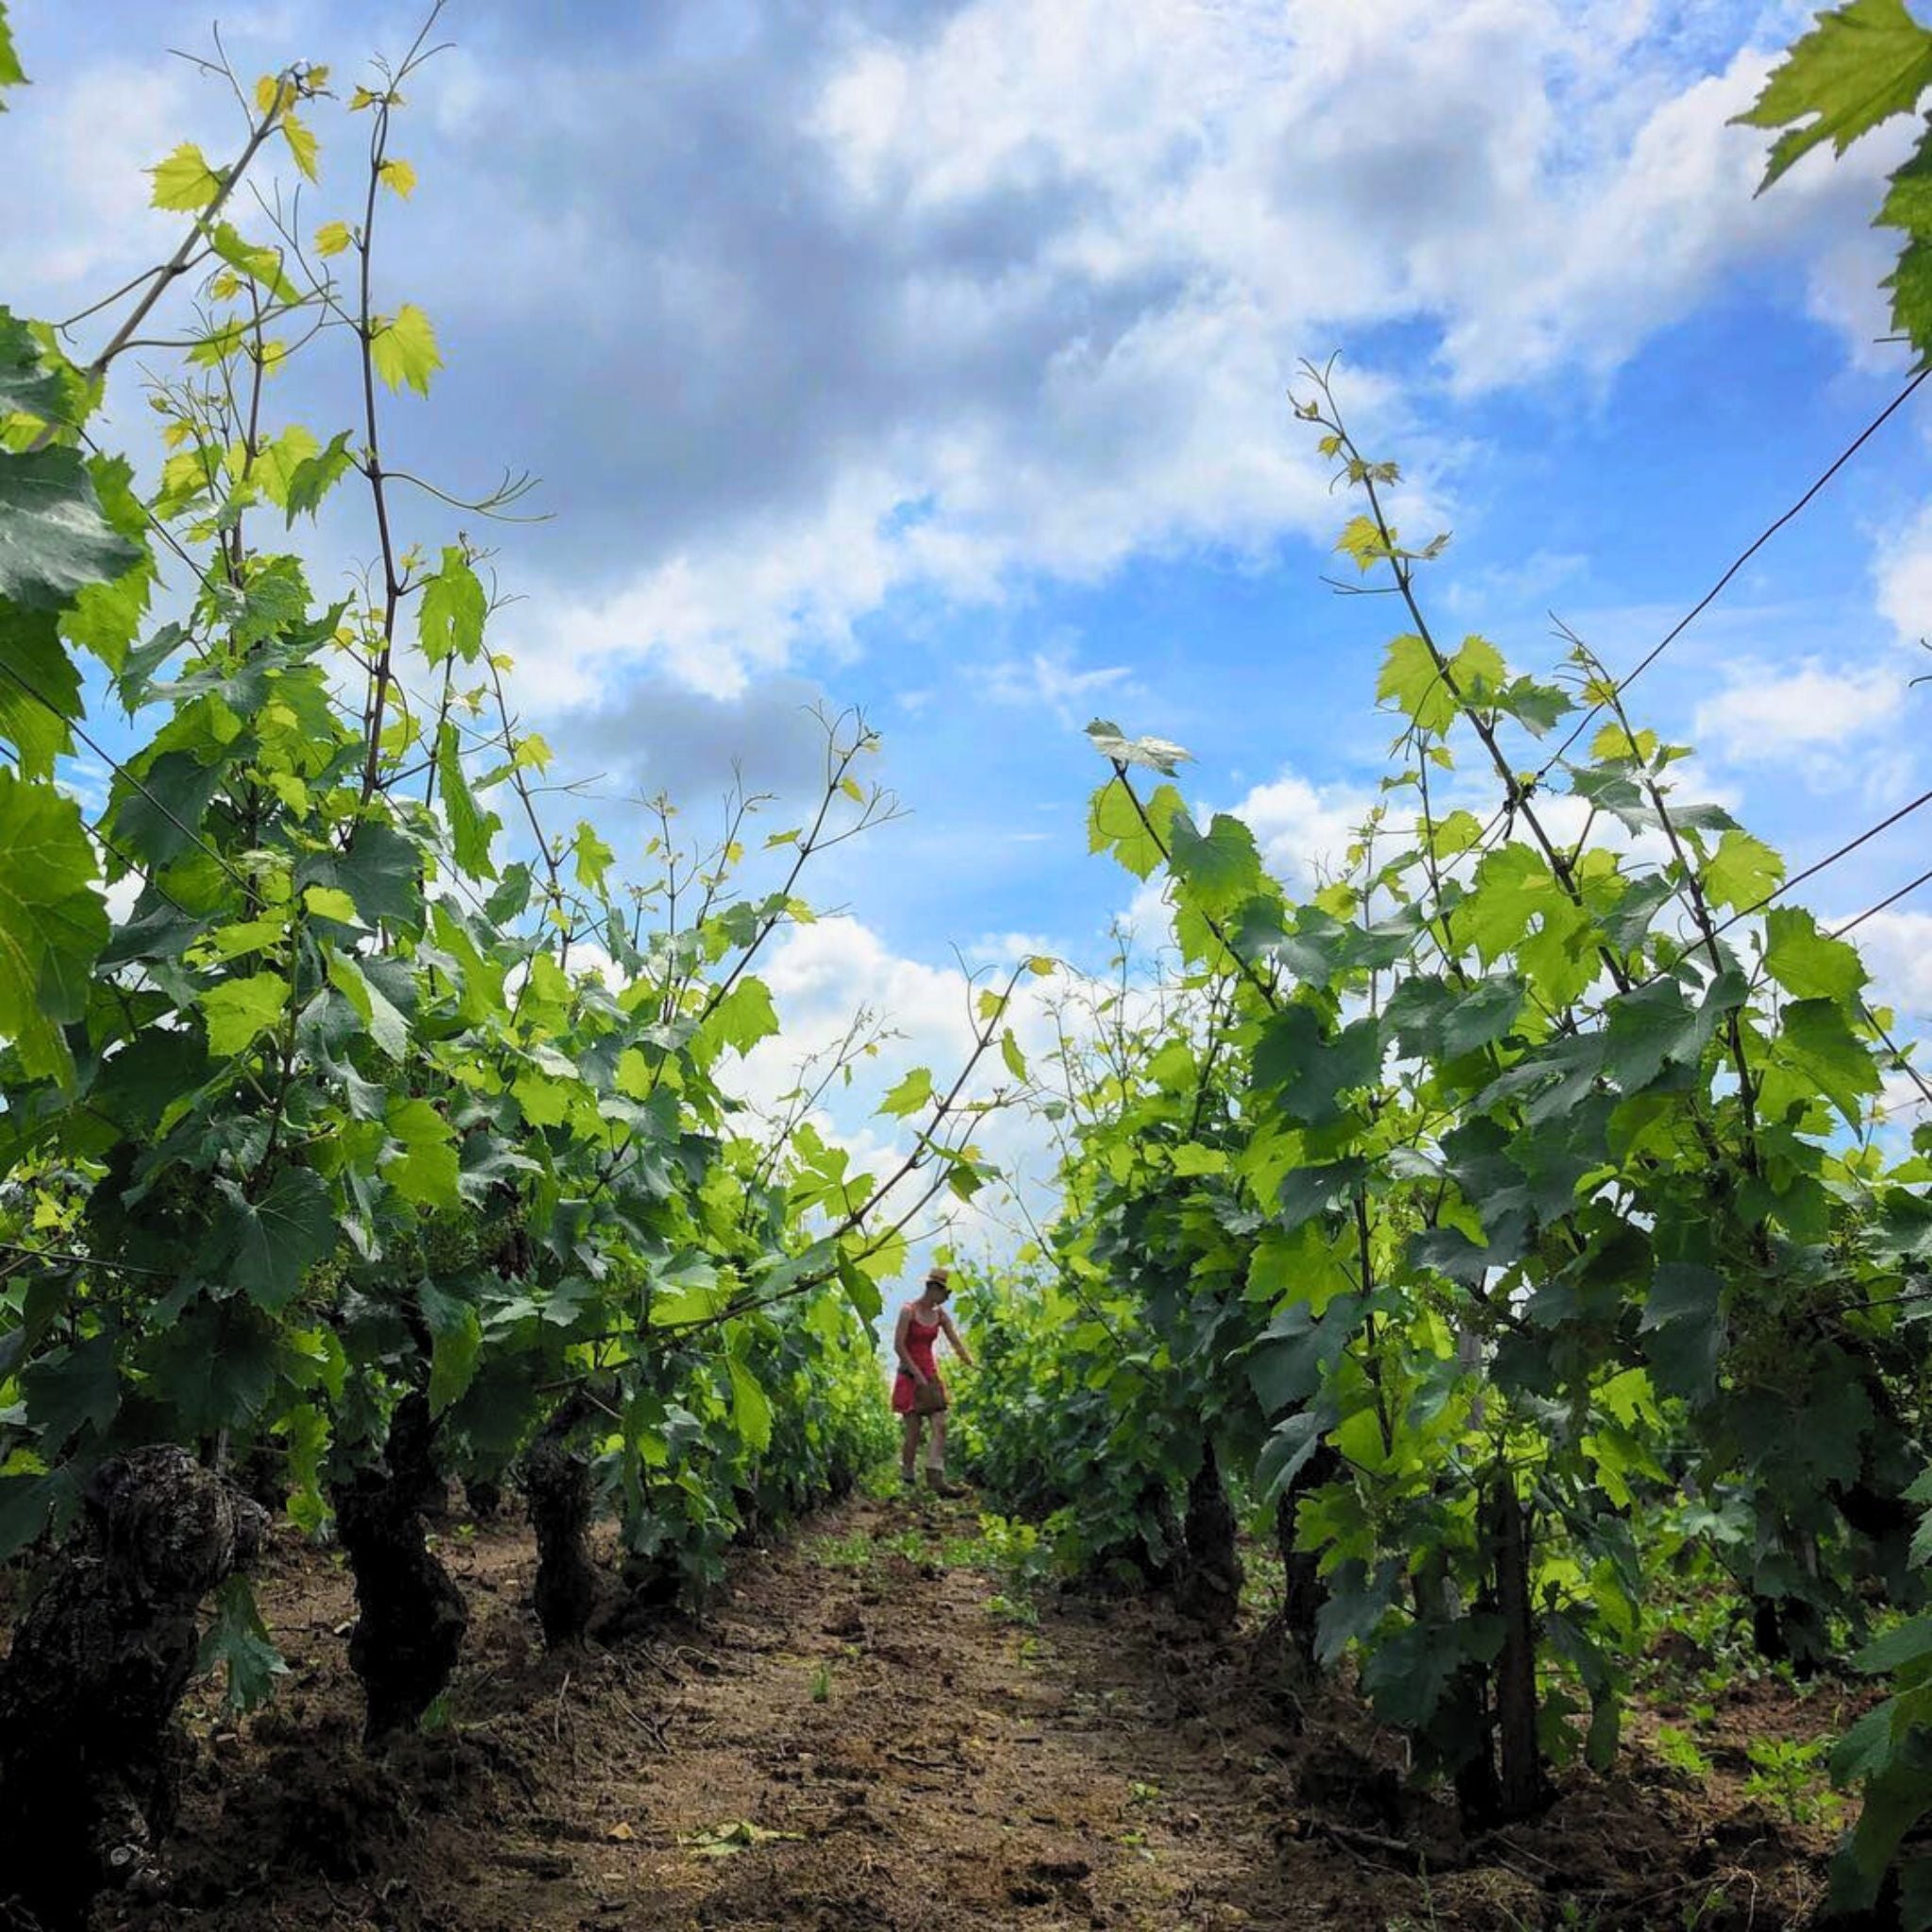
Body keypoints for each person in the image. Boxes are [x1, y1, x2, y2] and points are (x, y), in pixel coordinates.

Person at [891, 1265, 974, 1495]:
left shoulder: (939, 1315)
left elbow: (955, 1340)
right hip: (909, 1376)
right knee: (914, 1430)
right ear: (933, 1289)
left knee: (940, 1423)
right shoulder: (908, 1311)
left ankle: (935, 1477)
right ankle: (907, 1475)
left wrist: (969, 1361)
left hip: (930, 1375)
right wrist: (916, 1373)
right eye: (945, 1294)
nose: (946, 1299)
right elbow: (898, 1345)